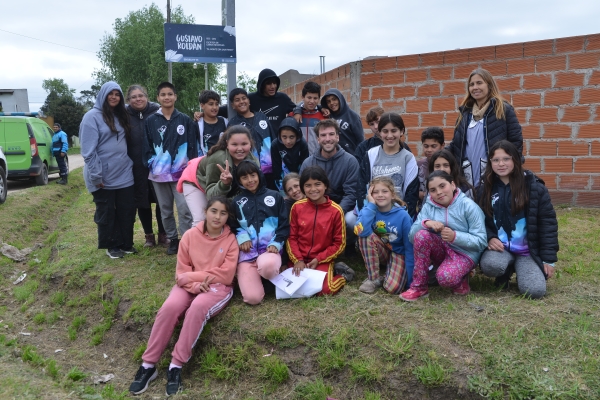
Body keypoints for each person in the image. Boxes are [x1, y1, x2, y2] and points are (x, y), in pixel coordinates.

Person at [128, 196, 239, 396]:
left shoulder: (231, 240)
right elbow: (181, 273)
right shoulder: (189, 235)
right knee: (169, 308)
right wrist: (194, 283)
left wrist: (191, 277)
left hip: (218, 286)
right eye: (214, 211)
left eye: (223, 213)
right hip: (189, 285)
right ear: (205, 211)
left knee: (197, 308)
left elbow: (226, 274)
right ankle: (148, 364)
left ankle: (176, 366)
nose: (217, 217)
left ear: (228, 217)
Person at [478, 141, 558, 299]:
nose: (501, 164)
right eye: (495, 160)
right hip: (500, 249)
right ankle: (505, 270)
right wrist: (490, 237)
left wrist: (549, 259)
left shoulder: (534, 188)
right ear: (490, 163)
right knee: (490, 266)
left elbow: (547, 224)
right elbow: (478, 220)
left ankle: (521, 267)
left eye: (506, 159)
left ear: (515, 159)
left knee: (534, 291)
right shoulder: (484, 188)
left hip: (527, 252)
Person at [399, 171, 487, 301]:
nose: (439, 192)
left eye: (442, 186)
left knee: (445, 278)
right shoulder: (428, 207)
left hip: (464, 253)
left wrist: (455, 236)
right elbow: (412, 237)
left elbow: (481, 242)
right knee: (422, 235)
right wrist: (426, 223)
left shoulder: (469, 206)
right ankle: (419, 287)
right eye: (433, 190)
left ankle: (462, 277)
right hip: (442, 251)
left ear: (452, 185)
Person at [80, 81, 136, 259]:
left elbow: (140, 103)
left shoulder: (121, 114)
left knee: (126, 210)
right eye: (110, 93)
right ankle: (111, 245)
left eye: (117, 94)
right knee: (107, 212)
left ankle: (126, 243)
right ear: (102, 95)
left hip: (124, 173)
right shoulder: (91, 117)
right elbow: (88, 152)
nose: (114, 97)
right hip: (102, 175)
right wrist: (96, 175)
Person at [143, 82, 198, 255]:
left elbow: (192, 147)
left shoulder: (185, 120)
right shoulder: (150, 121)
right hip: (159, 175)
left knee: (184, 209)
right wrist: (153, 164)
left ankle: (187, 240)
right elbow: (146, 147)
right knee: (165, 210)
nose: (167, 97)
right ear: (158, 97)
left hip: (181, 175)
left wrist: (191, 167)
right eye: (163, 94)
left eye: (170, 94)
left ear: (175, 96)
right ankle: (173, 240)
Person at [448, 68, 523, 189]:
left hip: (493, 173)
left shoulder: (503, 109)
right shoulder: (465, 113)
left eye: (479, 83)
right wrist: (440, 155)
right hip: (467, 174)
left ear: (489, 85)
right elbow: (456, 144)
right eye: (471, 84)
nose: (475, 87)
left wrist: (509, 167)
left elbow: (516, 142)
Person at [286, 166, 355, 296]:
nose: (313, 189)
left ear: (325, 186)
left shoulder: (336, 211)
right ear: (303, 188)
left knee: (325, 290)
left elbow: (339, 244)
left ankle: (343, 275)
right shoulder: (297, 207)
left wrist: (319, 259)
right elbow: (292, 237)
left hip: (321, 259)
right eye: (308, 185)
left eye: (317, 184)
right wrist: (298, 260)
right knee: (293, 288)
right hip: (299, 259)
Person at [231, 161, 289, 305]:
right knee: (253, 299)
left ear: (259, 175)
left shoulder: (275, 196)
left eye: (252, 175)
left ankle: (267, 276)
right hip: (247, 255)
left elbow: (284, 225)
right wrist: (241, 236)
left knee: (268, 267)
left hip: (269, 251)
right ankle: (254, 280)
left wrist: (277, 242)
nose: (250, 180)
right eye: (244, 178)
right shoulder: (237, 201)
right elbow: (233, 225)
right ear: (239, 181)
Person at [300, 119, 360, 254]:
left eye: (331, 134)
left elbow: (351, 194)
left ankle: (348, 245)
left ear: (337, 137)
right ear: (317, 139)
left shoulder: (350, 161)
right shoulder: (308, 163)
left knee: (351, 220)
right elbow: (304, 192)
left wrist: (334, 212)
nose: (328, 139)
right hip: (315, 206)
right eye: (323, 135)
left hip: (341, 207)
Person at [354, 176, 414, 294]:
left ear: (392, 195)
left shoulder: (403, 216)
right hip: (381, 250)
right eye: (375, 192)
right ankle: (374, 278)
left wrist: (411, 282)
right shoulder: (368, 210)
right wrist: (371, 205)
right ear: (370, 195)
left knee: (393, 289)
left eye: (384, 191)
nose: (380, 195)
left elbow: (409, 247)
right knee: (365, 236)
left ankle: (386, 275)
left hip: (398, 253)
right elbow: (360, 231)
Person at [125, 85, 169, 248]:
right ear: (129, 100)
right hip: (136, 164)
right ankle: (148, 235)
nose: (138, 99)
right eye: (134, 97)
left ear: (147, 96)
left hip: (158, 164)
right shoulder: (125, 115)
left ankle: (163, 234)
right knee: (142, 201)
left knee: (161, 200)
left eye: (141, 95)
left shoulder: (158, 111)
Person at [358, 113, 419, 218]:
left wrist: (404, 217)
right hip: (373, 211)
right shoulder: (371, 154)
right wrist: (366, 213)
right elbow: (361, 187)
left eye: (394, 131)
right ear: (380, 132)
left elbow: (411, 193)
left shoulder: (408, 158)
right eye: (385, 131)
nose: (389, 136)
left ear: (402, 131)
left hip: (399, 213)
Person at [228, 88, 275, 187]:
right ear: (232, 105)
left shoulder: (262, 117)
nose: (241, 102)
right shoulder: (233, 123)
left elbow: (273, 139)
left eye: (244, 98)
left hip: (270, 170)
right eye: (237, 100)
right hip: (248, 172)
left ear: (248, 101)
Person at [196, 125, 259, 200]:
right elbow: (211, 196)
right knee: (206, 211)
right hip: (197, 182)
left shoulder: (254, 162)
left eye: (244, 144)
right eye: (234, 144)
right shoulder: (217, 159)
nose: (239, 149)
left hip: (225, 193)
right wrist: (224, 184)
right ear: (227, 144)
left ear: (250, 143)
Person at [320, 88, 364, 156]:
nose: (332, 103)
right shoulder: (328, 116)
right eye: (328, 101)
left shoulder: (353, 116)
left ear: (340, 99)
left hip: (351, 157)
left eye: (334, 99)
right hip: (333, 157)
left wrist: (358, 157)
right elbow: (312, 106)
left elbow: (360, 140)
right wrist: (321, 108)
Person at [271, 117, 309, 192]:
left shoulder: (302, 143)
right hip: (283, 175)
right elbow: (276, 168)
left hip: (300, 174)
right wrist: (281, 187)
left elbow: (305, 166)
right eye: (284, 137)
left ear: (297, 136)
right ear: (279, 136)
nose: (288, 141)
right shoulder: (275, 145)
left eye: (292, 137)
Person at [292, 81, 327, 154]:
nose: (312, 101)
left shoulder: (324, 117)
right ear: (303, 97)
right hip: (297, 160)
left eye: (315, 98)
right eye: (309, 97)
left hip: (317, 159)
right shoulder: (293, 116)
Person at [417, 127, 445, 206]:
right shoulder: (419, 165)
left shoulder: (447, 165)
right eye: (426, 146)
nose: (429, 150)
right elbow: (413, 190)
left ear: (442, 146)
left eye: (433, 146)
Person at [198, 90, 228, 156]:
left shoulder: (225, 122)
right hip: (205, 162)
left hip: (224, 160)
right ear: (202, 106)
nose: (214, 107)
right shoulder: (197, 125)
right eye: (211, 104)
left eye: (217, 104)